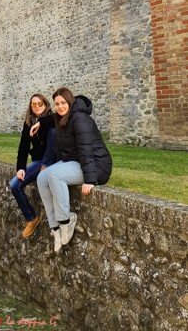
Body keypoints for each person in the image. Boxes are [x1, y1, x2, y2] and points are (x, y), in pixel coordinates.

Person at [36, 87, 112, 252]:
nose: (60, 106)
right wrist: (38, 124)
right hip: (74, 162)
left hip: (97, 165)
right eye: (57, 104)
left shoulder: (80, 119)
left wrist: (90, 180)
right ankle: (55, 228)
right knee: (42, 178)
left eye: (63, 103)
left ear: (70, 102)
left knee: (55, 175)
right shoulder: (61, 118)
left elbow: (86, 150)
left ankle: (66, 221)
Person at [9, 94, 56, 238]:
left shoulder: (53, 117)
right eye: (33, 104)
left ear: (45, 104)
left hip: (52, 161)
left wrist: (41, 123)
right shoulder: (28, 122)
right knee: (14, 185)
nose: (36, 107)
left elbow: (57, 121)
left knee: (53, 131)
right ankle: (32, 219)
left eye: (39, 104)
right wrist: (21, 168)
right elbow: (23, 147)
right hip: (38, 162)